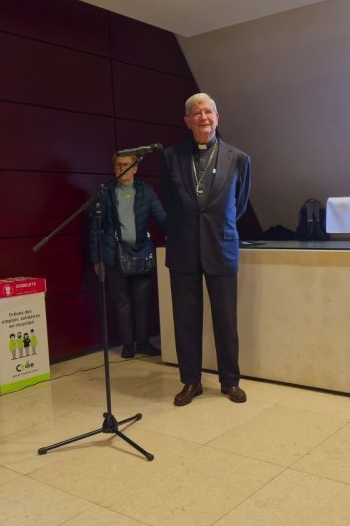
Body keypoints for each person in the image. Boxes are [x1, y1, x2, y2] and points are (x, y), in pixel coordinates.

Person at [161, 94, 251, 406]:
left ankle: (230, 381)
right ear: (187, 121)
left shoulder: (238, 158)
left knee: (226, 320)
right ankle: (191, 382)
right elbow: (169, 202)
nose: (203, 117)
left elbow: (238, 206)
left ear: (217, 117)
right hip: (183, 246)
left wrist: (213, 224)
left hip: (221, 246)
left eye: (208, 111)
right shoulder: (171, 157)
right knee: (186, 320)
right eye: (196, 113)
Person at [89, 151, 167, 359]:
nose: (122, 168)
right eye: (118, 165)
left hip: (141, 254)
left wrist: (180, 231)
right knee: (122, 302)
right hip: (113, 255)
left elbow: (162, 218)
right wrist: (96, 259)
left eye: (126, 164)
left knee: (143, 301)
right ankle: (128, 345)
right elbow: (95, 228)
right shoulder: (105, 192)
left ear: (135, 168)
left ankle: (142, 342)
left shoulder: (145, 191)